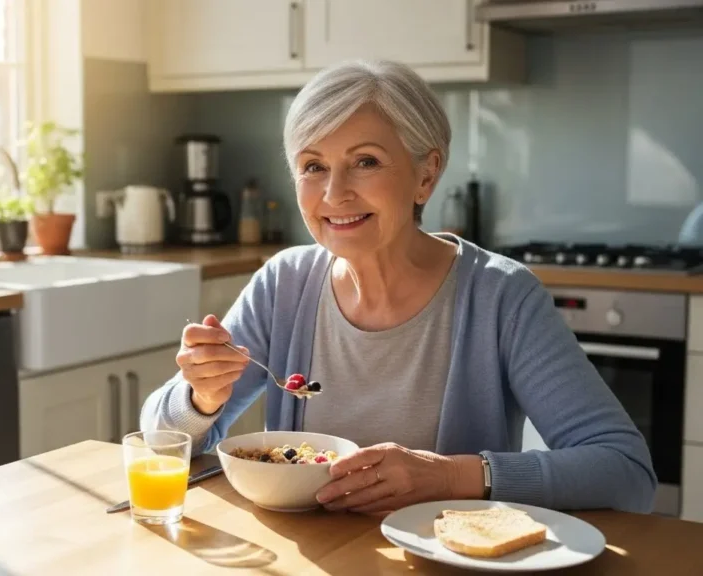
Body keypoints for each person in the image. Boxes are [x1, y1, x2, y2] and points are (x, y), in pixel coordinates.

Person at [140, 60, 656, 515]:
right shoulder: (285, 283)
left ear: (426, 175)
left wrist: (451, 476)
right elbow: (160, 441)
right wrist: (202, 396)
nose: (335, 193)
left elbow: (625, 471)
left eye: (365, 161)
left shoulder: (502, 296)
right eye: (313, 166)